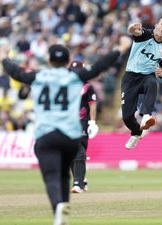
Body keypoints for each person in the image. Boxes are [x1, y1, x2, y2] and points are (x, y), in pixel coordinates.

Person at [0, 37, 131, 225]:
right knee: (63, 174)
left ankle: (58, 208)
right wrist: (121, 48)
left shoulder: (38, 76)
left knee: (52, 176)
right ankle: (64, 208)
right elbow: (100, 66)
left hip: (46, 134)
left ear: (50, 60)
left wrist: (4, 56)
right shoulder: (74, 77)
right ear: (67, 61)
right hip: (70, 136)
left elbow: (15, 72)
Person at [121, 16, 162, 150]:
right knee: (126, 117)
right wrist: (132, 27)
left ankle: (146, 116)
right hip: (130, 77)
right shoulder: (146, 35)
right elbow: (133, 31)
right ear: (156, 26)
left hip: (146, 77)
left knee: (152, 82)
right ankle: (136, 133)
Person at [69, 60, 98, 193]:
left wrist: (92, 122)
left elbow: (92, 104)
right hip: (67, 122)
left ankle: (78, 183)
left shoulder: (87, 86)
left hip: (81, 121)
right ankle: (81, 180)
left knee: (79, 149)